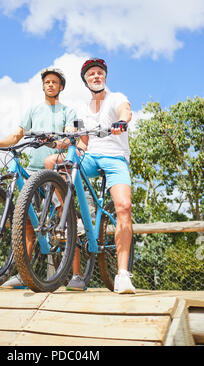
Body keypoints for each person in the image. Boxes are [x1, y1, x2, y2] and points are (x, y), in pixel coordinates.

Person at [45, 58, 135, 294]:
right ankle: (70, 214)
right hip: (91, 156)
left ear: (104, 77)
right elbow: (77, 137)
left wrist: (121, 122)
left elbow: (126, 111)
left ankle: (123, 275)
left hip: (115, 157)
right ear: (86, 81)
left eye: (99, 73)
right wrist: (58, 142)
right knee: (54, 163)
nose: (96, 76)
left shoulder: (116, 98)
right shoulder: (81, 108)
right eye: (91, 74)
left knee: (124, 207)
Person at [0, 67, 76, 288]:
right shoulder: (33, 110)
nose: (50, 85)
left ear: (61, 87)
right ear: (43, 86)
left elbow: (69, 139)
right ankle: (22, 273)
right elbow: (17, 135)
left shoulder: (67, 111)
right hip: (33, 171)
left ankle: (72, 274)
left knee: (64, 220)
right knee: (26, 223)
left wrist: (54, 142)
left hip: (57, 172)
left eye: (54, 82)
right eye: (47, 82)